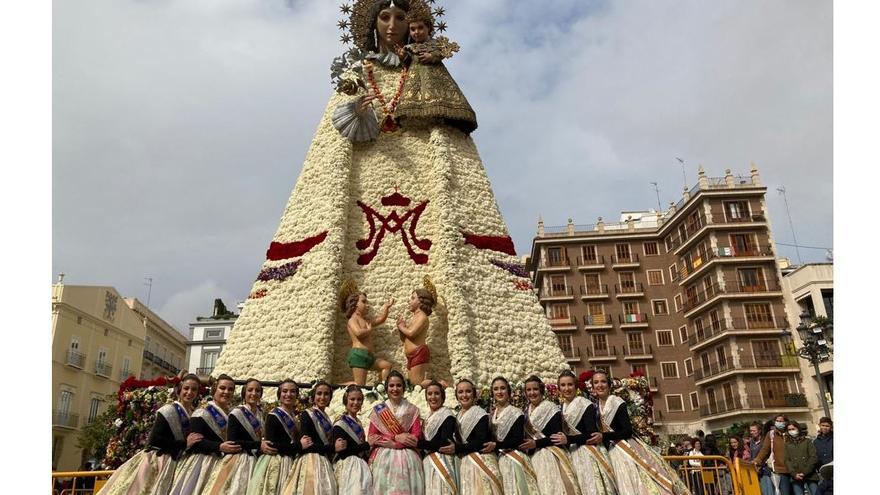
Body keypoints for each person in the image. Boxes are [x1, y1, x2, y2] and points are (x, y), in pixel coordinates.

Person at [98, 374, 202, 495]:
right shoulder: (168, 410)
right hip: (159, 460)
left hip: (177, 461)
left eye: (193, 389)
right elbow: (155, 440)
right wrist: (183, 444)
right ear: (180, 389)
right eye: (186, 388)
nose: (189, 392)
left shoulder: (192, 413)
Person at [590, 370, 691, 495]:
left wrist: (604, 436)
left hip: (625, 450)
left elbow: (627, 431)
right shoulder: (595, 407)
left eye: (603, 381)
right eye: (596, 382)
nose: (600, 385)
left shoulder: (617, 402)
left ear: (609, 384)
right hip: (610, 453)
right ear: (593, 386)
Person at [170, 374, 242, 495]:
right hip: (201, 465)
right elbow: (195, 443)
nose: (226, 392)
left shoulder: (231, 415)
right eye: (222, 388)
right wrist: (219, 447)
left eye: (230, 389)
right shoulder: (202, 412)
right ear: (214, 389)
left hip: (221, 463)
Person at [202, 378, 268, 494]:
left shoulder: (261, 414)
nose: (254, 393)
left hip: (256, 460)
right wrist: (258, 445)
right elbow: (233, 441)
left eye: (257, 391)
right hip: (240, 460)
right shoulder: (236, 413)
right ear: (244, 393)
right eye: (250, 390)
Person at [557, 370, 618, 495]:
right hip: (570, 455)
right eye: (563, 385)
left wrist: (569, 440)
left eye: (570, 385)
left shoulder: (586, 405)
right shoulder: (560, 407)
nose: (566, 388)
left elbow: (591, 434)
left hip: (587, 453)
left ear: (576, 386)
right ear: (559, 388)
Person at [520, 375, 581, 495]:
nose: (532, 393)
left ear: (542, 390)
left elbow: (556, 437)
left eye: (535, 389)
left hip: (552, 456)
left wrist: (536, 443)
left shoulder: (552, 408)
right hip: (533, 457)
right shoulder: (526, 411)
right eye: (529, 390)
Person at [368, 369, 424, 493]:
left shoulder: (412, 409)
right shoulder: (378, 410)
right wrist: (394, 439)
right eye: (391, 385)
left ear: (404, 388)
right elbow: (372, 436)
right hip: (384, 455)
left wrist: (397, 444)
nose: (395, 389)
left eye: (398, 385)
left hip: (407, 454)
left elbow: (416, 436)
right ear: (386, 388)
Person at [282, 381, 341, 495]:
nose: (322, 397)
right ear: (313, 397)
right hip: (311, 461)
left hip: (324, 461)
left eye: (326, 394)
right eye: (319, 394)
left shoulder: (327, 418)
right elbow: (307, 446)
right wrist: (333, 448)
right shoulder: (307, 414)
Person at [445, 378, 503, 494]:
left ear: (474, 394)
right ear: (456, 395)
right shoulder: (458, 416)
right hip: (466, 463)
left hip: (481, 462)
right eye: (460, 392)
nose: (464, 395)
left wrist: (457, 448)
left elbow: (481, 442)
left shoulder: (480, 414)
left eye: (468, 391)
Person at [247, 379, 302, 495]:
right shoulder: (273, 415)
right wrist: (298, 446)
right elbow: (271, 445)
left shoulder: (294, 418)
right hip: (277, 463)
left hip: (291, 461)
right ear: (279, 395)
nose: (288, 394)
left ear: (297, 395)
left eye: (292, 392)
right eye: (285, 391)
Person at [489, 376, 539, 494]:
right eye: (496, 389)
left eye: (503, 388)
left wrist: (495, 445)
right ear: (492, 393)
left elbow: (517, 440)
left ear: (509, 391)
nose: (499, 392)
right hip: (498, 460)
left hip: (513, 459)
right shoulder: (491, 414)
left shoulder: (517, 413)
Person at [417, 380, 460, 494]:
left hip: (443, 462)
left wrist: (418, 443)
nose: (433, 397)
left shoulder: (447, 416)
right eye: (430, 394)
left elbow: (445, 443)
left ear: (443, 396)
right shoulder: (427, 418)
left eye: (437, 393)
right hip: (428, 463)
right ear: (426, 397)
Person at [345, 291, 394, 386]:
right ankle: (337, 387)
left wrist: (387, 307)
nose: (367, 305)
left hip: (369, 356)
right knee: (359, 385)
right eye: (363, 302)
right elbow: (358, 333)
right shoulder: (352, 319)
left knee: (386, 366)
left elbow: (380, 319)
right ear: (355, 304)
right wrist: (368, 330)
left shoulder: (366, 321)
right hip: (359, 355)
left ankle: (383, 389)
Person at [332, 385, 373, 494]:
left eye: (359, 399)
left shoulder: (358, 422)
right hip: (348, 467)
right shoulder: (340, 423)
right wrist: (366, 445)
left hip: (361, 467)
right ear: (346, 400)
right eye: (352, 399)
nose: (356, 402)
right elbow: (343, 453)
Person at [397, 287, 435, 386]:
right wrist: (402, 328)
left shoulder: (422, 317)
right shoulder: (415, 317)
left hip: (418, 352)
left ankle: (440, 385)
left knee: (418, 383)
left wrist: (402, 327)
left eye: (413, 298)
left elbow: (412, 333)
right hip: (411, 355)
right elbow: (405, 338)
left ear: (420, 301)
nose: (409, 301)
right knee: (412, 384)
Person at [753, 414, 793, 495]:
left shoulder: (791, 432)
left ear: (786, 422)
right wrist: (757, 460)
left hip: (795, 469)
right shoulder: (771, 434)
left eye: (781, 421)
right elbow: (765, 450)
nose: (778, 423)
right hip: (780, 470)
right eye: (777, 421)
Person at [785, 421, 818, 495]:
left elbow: (813, 457)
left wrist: (804, 472)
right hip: (795, 476)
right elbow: (787, 460)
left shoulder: (807, 441)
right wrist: (794, 473)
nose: (791, 431)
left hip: (810, 475)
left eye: (793, 429)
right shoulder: (787, 444)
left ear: (798, 429)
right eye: (789, 430)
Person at [814, 417, 832, 495]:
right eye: (823, 425)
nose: (825, 428)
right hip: (823, 473)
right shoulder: (816, 441)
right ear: (819, 426)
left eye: (827, 426)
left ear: (831, 427)